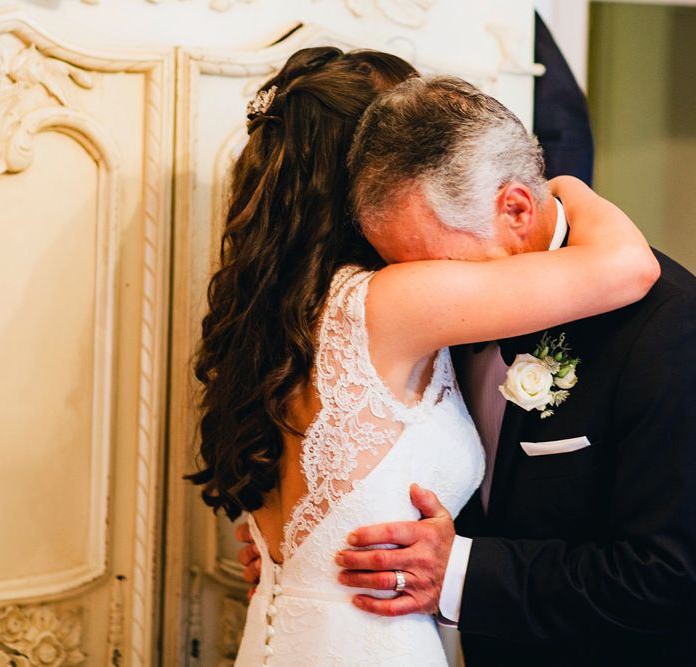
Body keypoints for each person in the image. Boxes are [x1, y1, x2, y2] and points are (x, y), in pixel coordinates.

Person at [199, 49, 659, 665]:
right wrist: (566, 184)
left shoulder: (266, 318)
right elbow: (628, 266)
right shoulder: (395, 302)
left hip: (278, 632)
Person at [326, 76, 694, 666]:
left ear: (516, 208)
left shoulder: (667, 331)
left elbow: (668, 576)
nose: (425, 293)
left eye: (435, 268)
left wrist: (459, 574)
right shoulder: (426, 317)